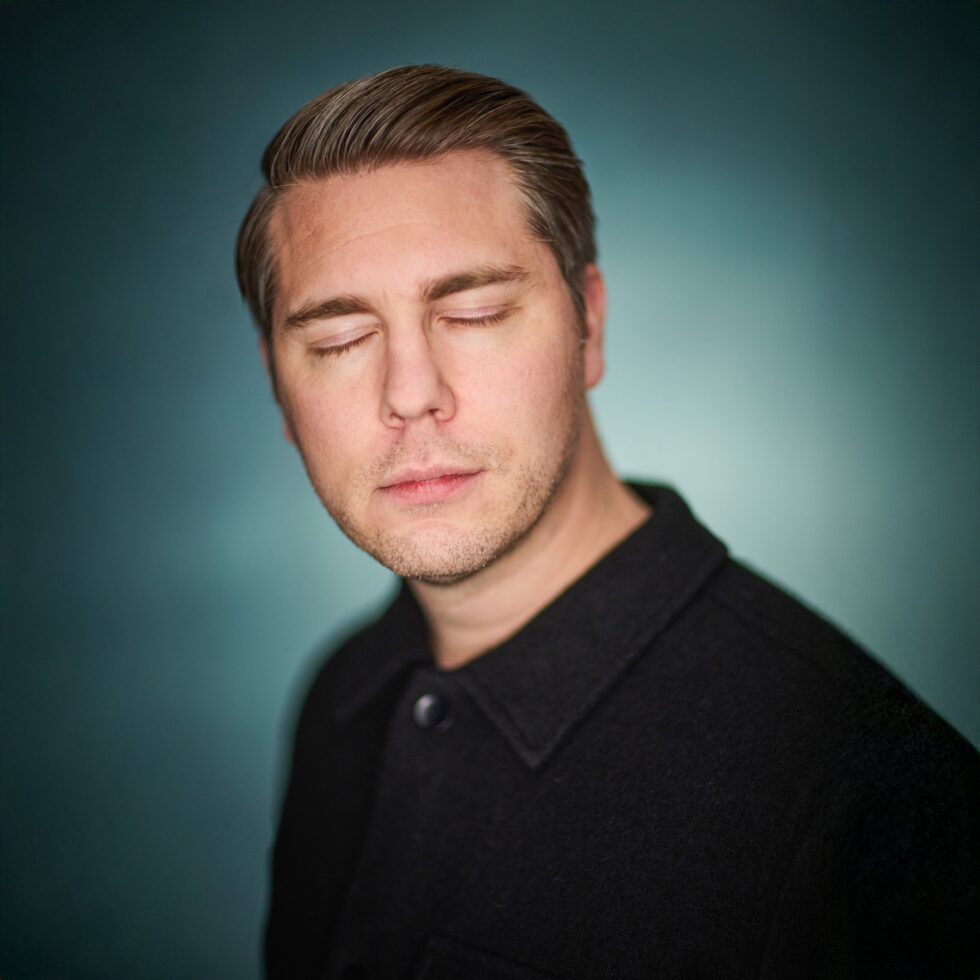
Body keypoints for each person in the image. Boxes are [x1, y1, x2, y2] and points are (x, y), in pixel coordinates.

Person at [235, 65, 977, 980]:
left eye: (474, 313)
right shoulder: (342, 696)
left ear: (588, 323)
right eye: (341, 340)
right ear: (278, 384)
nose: (411, 394)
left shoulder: (868, 797)